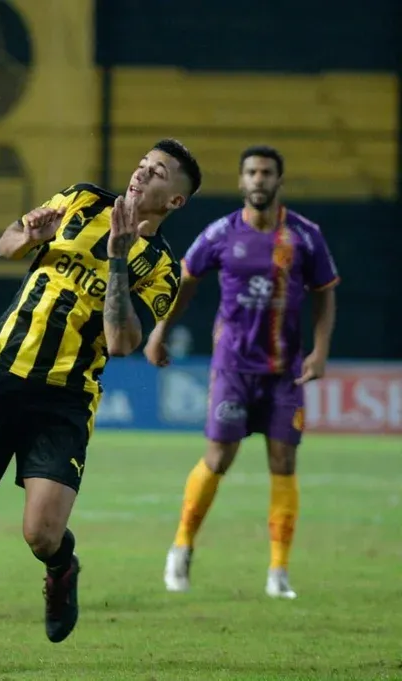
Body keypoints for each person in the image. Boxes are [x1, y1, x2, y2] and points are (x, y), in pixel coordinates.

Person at [0, 140, 202, 668]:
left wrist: (117, 260)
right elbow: (6, 244)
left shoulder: (164, 269)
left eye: (158, 173)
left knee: (41, 535)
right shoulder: (81, 200)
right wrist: (27, 236)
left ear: (175, 201)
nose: (142, 174)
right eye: (142, 165)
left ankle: (61, 567)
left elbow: (123, 342)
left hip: (65, 400)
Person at [146, 145, 339, 600]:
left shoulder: (305, 236)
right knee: (218, 459)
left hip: (285, 371)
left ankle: (278, 571)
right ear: (240, 181)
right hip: (233, 367)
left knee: (284, 463)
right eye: (251, 172)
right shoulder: (220, 233)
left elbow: (325, 291)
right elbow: (186, 280)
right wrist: (160, 331)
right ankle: (181, 547)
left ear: (278, 181)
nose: (258, 179)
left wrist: (320, 351)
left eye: (266, 172)